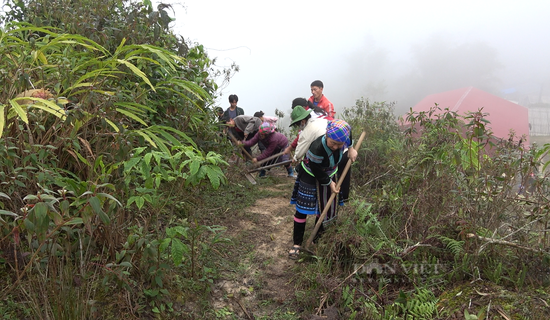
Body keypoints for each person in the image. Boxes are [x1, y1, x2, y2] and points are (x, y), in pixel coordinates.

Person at [288, 120, 356, 259]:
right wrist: (329, 182)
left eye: (340, 144)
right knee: (302, 209)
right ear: (326, 134)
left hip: (330, 173)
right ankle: (297, 243)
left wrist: (351, 148)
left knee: (323, 207)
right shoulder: (317, 147)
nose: (336, 147)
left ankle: (315, 239)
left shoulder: (343, 137)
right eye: (333, 143)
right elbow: (316, 168)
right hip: (311, 174)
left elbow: (349, 137)